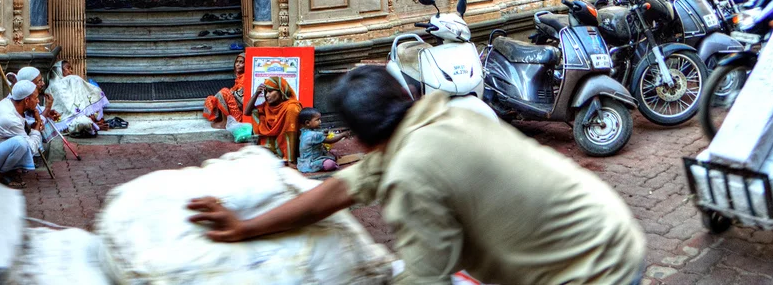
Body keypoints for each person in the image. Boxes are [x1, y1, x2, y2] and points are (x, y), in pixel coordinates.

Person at [188, 65, 646, 285]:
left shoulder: (412, 170)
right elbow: (339, 190)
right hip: (610, 227)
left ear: (362, 140)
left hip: (591, 271)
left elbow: (426, 280)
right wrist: (247, 225)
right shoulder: (441, 116)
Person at [0, 80, 42, 186]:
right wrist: (38, 125)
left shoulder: (8, 102)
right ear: (27, 100)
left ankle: (9, 172)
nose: (38, 102)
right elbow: (32, 148)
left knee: (22, 141)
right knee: (21, 143)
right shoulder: (10, 119)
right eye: (36, 98)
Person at [246, 76, 302, 165]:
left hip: (286, 146)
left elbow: (291, 133)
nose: (267, 95)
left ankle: (288, 158)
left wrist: (290, 160)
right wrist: (256, 93)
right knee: (255, 112)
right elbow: (247, 112)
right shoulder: (266, 106)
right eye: (265, 92)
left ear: (281, 91)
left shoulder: (291, 106)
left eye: (270, 91)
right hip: (270, 143)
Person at [202, 53, 248, 127]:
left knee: (224, 92)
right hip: (234, 104)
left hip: (239, 111)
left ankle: (225, 121)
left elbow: (243, 100)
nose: (237, 64)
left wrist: (230, 94)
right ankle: (219, 118)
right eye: (237, 62)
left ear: (247, 64)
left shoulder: (246, 78)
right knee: (211, 99)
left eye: (241, 62)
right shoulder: (239, 77)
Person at [296, 108, 338, 174]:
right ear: (307, 123)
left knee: (331, 154)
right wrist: (343, 135)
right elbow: (330, 141)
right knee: (330, 164)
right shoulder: (312, 135)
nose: (320, 122)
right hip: (310, 163)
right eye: (317, 120)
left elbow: (318, 135)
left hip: (304, 162)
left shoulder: (304, 131)